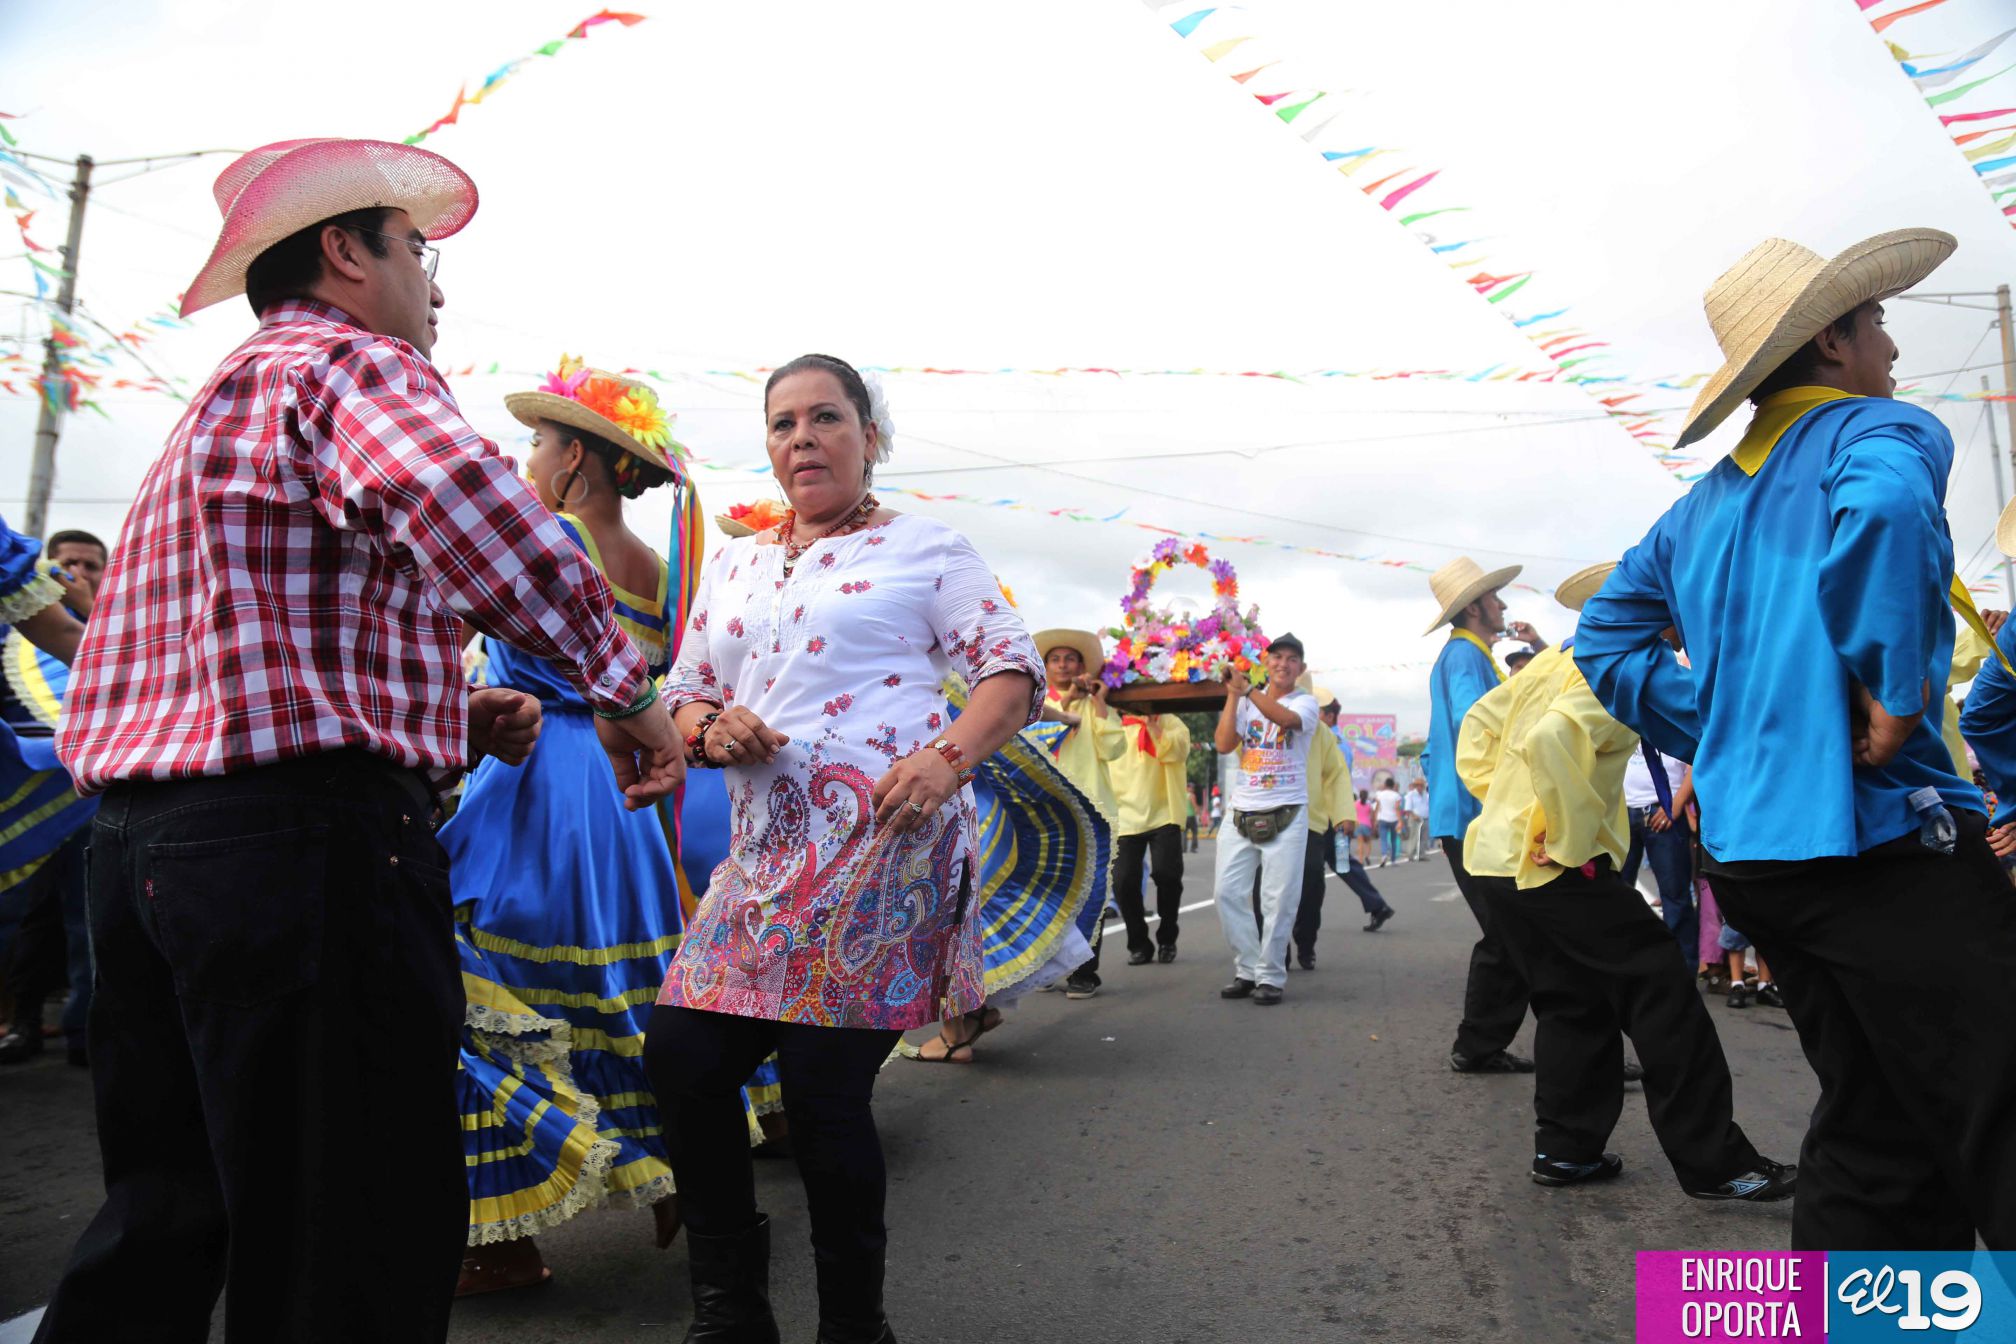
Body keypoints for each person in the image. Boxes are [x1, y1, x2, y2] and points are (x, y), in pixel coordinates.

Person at [36, 139, 684, 1344]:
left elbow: (239, 666)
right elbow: (473, 514)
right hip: (300, 851)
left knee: (172, 1212)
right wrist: (625, 688)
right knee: (354, 1219)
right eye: (421, 254)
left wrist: (442, 717)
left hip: (145, 852)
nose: (435, 289)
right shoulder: (348, 360)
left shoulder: (218, 405)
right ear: (345, 252)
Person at [1578, 226, 2016, 1250]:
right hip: (1878, 842)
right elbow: (1890, 512)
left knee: (1874, 1125)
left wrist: (1729, 721)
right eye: (1879, 324)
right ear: (1833, 341)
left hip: (1758, 856)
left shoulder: (1695, 513)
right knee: (1998, 1101)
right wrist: (1895, 683)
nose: (1894, 350)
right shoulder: (1881, 432)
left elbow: (1603, 636)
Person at [647, 352, 1041, 1342]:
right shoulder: (733, 560)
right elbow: (683, 688)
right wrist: (706, 729)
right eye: (783, 424)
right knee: (682, 1062)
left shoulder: (928, 547)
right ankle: (731, 1308)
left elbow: (1011, 670)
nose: (803, 439)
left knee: (823, 1096)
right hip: (761, 864)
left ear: (871, 437)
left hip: (881, 854)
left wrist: (948, 758)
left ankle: (853, 1326)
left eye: (826, 419)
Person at [445, 359, 701, 1292]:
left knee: (476, 985)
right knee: (624, 985)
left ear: (576, 461)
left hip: (539, 778)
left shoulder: (546, 538)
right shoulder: (657, 567)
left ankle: (500, 1238)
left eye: (539, 441)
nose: (526, 455)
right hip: (622, 791)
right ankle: (669, 1169)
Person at [1455, 564, 1794, 1201]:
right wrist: (1568, 838)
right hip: (1551, 862)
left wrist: (1502, 801)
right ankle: (1717, 1162)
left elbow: (1479, 725)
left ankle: (1567, 1149)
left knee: (1572, 998)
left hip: (1500, 858)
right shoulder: (1613, 666)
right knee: (1662, 987)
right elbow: (1555, 738)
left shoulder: (1560, 657)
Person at [1424, 556, 1540, 1074]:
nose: (1503, 604)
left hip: (1471, 811)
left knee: (1512, 932)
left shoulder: (1467, 656)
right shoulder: (1465, 659)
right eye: (1495, 597)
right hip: (1477, 813)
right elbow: (1481, 725)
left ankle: (1480, 1045)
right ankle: (1486, 1045)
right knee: (1515, 931)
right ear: (1474, 607)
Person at [0, 521, 93, 1064]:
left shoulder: (114, 627)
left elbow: (76, 642)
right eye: (65, 563)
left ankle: (88, 1035)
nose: (74, 575)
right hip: (33, 784)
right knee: (22, 920)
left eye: (90, 566)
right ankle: (22, 1022)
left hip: (83, 792)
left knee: (88, 922)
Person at [1212, 632, 1321, 1005]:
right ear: (1266, 661)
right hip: (1242, 807)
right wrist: (1232, 693)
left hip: (1287, 809)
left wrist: (1247, 692)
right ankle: (1246, 969)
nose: (1283, 664)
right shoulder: (1244, 701)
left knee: (1278, 898)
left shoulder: (1306, 702)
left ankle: (1271, 976)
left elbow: (1287, 720)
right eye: (1277, 657)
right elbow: (1225, 744)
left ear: (1300, 668)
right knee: (1227, 893)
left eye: (1292, 659)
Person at [1032, 627, 1127, 999]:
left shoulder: (1096, 705)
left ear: (1083, 665)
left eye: (1070, 659)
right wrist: (1067, 702)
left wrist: (1099, 705)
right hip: (1046, 810)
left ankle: (1085, 973)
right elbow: (1034, 742)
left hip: (1092, 808)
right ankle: (1048, 966)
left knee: (1092, 894)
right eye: (1055, 659)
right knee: (1048, 892)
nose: (1063, 665)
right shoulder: (1036, 702)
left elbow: (1115, 749)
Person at [1290, 683, 1371, 968]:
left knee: (1312, 883)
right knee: (1267, 888)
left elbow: (1338, 775)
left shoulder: (1326, 737)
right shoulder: (1263, 720)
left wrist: (1342, 815)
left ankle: (1306, 942)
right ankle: (1275, 949)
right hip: (1270, 818)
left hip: (1313, 819)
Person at [1106, 699, 1193, 966]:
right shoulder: (1111, 723)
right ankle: (1139, 943)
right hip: (1123, 816)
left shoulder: (1170, 720)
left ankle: (1167, 937)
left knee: (1168, 876)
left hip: (1164, 812)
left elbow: (1179, 751)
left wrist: (1154, 728)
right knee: (1122, 882)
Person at [1372, 776, 1404, 865]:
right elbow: (1397, 808)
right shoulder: (1396, 796)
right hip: (1394, 819)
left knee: (1383, 839)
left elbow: (1377, 808)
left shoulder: (1380, 795)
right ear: (1393, 785)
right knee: (1393, 839)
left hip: (1382, 818)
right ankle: (1393, 860)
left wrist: (1375, 820)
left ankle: (1384, 854)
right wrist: (1400, 820)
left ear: (1385, 785)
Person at [1404, 776, 1433, 860]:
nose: (1420, 787)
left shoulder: (1426, 795)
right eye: (1418, 785)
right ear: (1415, 786)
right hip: (1415, 819)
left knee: (1424, 838)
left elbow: (1429, 806)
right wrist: (1414, 816)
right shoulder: (1411, 795)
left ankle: (1421, 854)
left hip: (1425, 818)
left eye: (1421, 785)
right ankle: (1410, 854)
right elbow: (1408, 808)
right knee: (1414, 836)